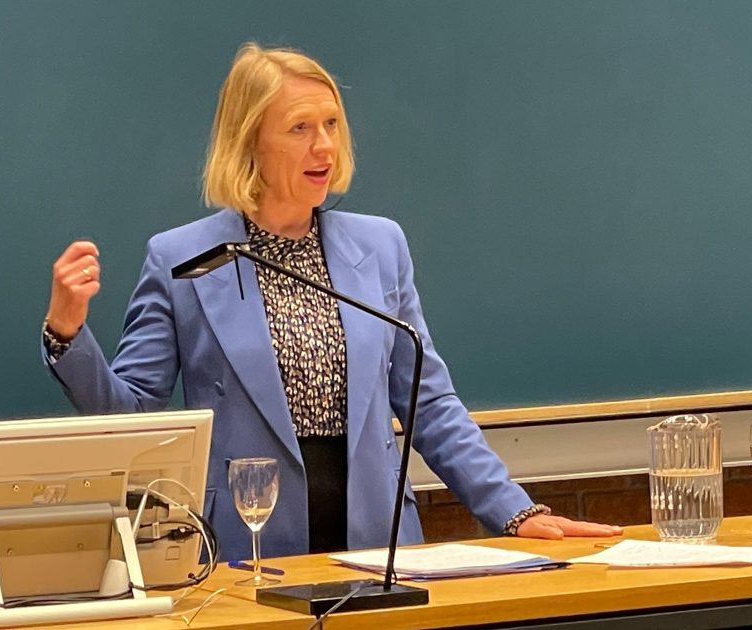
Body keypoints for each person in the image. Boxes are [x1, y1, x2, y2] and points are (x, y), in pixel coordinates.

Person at [42, 42, 620, 561]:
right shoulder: (183, 259)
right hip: (246, 547)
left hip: (378, 544)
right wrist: (68, 335)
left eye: (331, 124)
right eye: (300, 128)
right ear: (249, 141)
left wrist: (515, 512)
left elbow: (429, 404)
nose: (323, 145)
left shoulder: (380, 246)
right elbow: (134, 420)